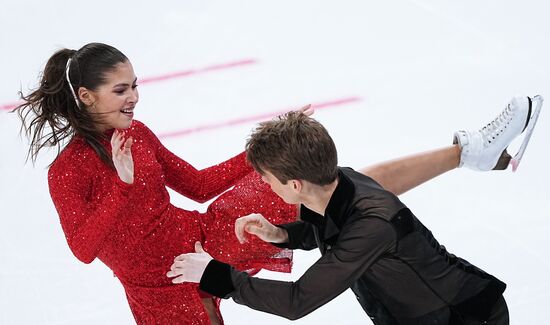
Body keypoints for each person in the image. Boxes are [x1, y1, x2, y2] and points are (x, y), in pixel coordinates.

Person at [15, 41, 540, 324]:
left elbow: (197, 186)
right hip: (156, 287)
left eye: (136, 86)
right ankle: (470, 153)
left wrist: (265, 150)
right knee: (335, 197)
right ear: (85, 96)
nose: (134, 98)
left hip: (207, 237)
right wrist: (124, 189)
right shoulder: (68, 171)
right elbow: (84, 250)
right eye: (120, 90)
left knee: (334, 188)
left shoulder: (141, 133)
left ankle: (467, 151)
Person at [167, 99, 542, 324]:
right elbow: (324, 229)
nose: (265, 186)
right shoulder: (337, 183)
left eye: (267, 179)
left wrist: (214, 275)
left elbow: (298, 301)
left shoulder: (372, 227)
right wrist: (280, 234)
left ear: (294, 184)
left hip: (464, 318)